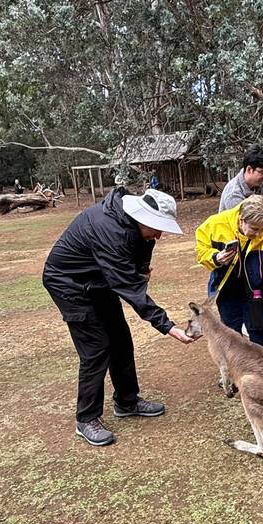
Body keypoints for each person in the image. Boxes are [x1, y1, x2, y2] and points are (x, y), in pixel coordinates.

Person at [43, 187, 194, 446]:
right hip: (68, 284)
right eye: (157, 228)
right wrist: (167, 326)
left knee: (121, 339)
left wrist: (143, 270)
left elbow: (141, 260)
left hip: (98, 281)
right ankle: (86, 418)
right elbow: (129, 287)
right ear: (143, 219)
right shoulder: (110, 230)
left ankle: (127, 401)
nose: (159, 235)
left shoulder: (137, 229)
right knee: (97, 348)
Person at [196, 194, 263, 349]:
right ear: (242, 220)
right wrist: (216, 258)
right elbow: (201, 252)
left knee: (258, 332)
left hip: (255, 291)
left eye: (261, 229)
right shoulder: (214, 225)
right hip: (228, 289)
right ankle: (233, 371)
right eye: (255, 229)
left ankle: (262, 371)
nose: (258, 234)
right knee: (231, 334)